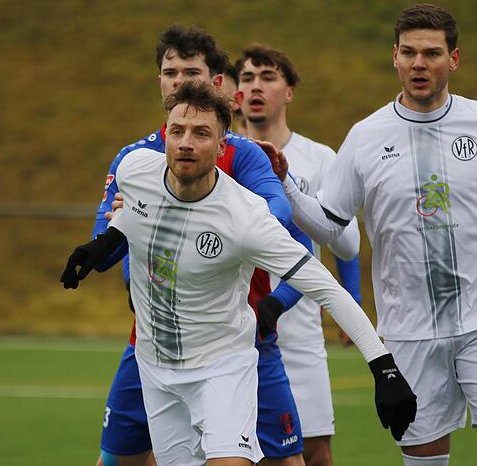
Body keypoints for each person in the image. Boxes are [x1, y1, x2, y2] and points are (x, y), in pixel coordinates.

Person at [261, 3, 477, 466]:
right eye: (409, 53)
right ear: (394, 56)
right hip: (408, 329)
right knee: (424, 456)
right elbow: (330, 224)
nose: (418, 64)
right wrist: (286, 182)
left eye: (431, 53)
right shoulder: (367, 136)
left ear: (454, 59)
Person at [62, 79, 417, 466]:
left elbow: (325, 288)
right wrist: (107, 241)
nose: (185, 142)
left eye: (201, 133)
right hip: (156, 370)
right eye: (177, 131)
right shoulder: (135, 170)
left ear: (221, 145)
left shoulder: (246, 217)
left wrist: (384, 367)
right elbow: (141, 212)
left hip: (223, 369)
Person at [89, 25, 357, 466]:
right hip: (153, 341)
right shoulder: (135, 160)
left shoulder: (243, 156)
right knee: (119, 459)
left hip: (241, 336)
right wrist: (122, 256)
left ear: (216, 84)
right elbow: (107, 239)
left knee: (300, 456)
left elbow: (298, 233)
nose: (179, 81)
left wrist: (239, 236)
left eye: (189, 71)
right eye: (169, 72)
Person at [237, 44, 363, 466]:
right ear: (235, 91)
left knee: (314, 451)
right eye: (248, 78)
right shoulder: (221, 155)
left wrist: (353, 303)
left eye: (268, 77)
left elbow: (342, 237)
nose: (256, 87)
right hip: (232, 322)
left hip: (298, 324)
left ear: (289, 91)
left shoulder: (320, 158)